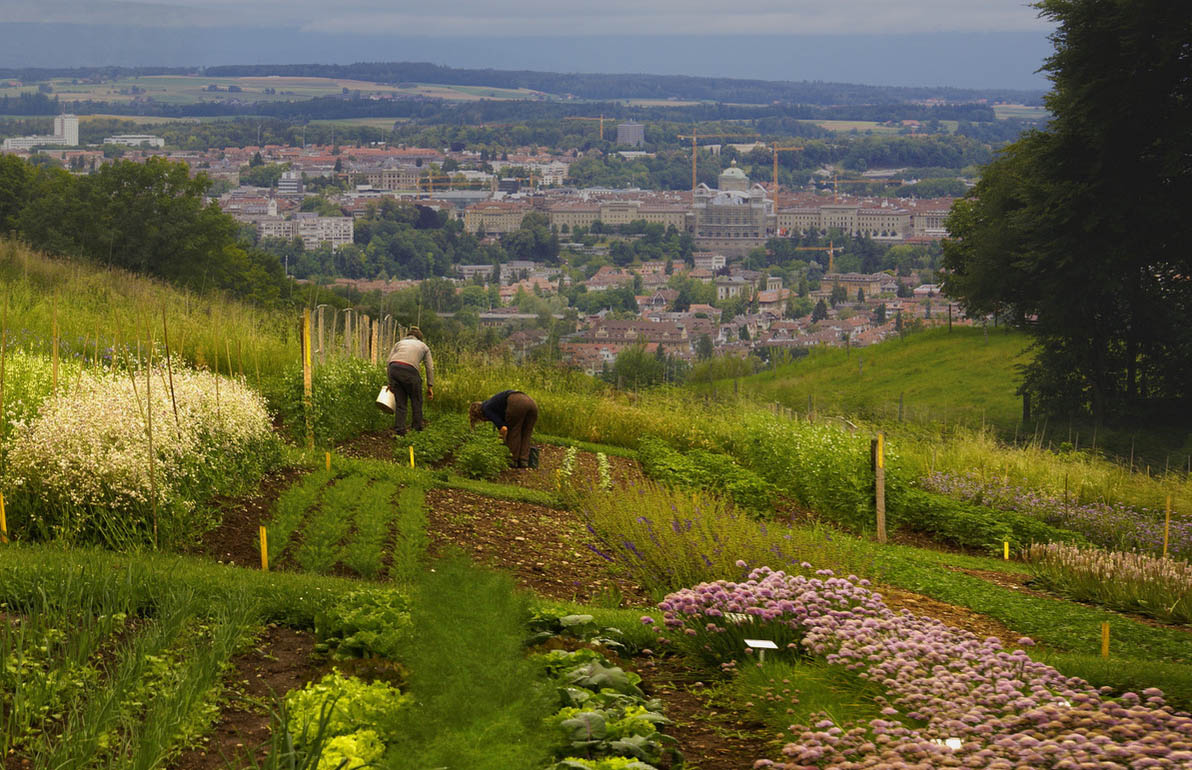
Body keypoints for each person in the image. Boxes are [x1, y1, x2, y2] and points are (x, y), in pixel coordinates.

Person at [469, 390, 538, 468]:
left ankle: (512, 460)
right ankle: (524, 461)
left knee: (513, 431)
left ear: (479, 413)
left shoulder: (486, 409)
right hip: (531, 403)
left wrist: (501, 439)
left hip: (517, 402)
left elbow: (504, 428)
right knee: (527, 432)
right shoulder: (494, 405)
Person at [386, 326, 434, 435]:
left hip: (394, 369)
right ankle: (416, 429)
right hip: (410, 371)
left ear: (408, 336)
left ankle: (400, 431)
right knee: (416, 400)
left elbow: (388, 362)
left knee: (401, 403)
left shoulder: (398, 343)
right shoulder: (424, 346)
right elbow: (430, 367)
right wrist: (430, 386)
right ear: (419, 338)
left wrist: (390, 382)